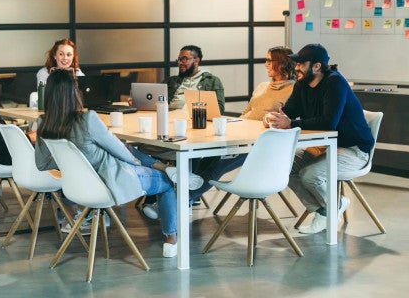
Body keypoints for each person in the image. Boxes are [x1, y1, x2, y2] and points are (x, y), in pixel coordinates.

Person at [34, 69, 181, 258]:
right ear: (73, 92)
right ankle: (171, 241)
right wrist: (137, 162)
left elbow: (41, 164)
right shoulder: (87, 119)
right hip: (111, 183)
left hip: (77, 189)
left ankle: (161, 166)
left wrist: (70, 161)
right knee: (167, 182)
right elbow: (120, 152)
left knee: (128, 151)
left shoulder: (44, 123)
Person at [265, 43, 374, 234]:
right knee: (284, 168)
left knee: (310, 175)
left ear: (316, 66)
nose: (296, 67)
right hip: (324, 148)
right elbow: (289, 111)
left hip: (354, 151)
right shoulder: (302, 84)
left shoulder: (335, 83)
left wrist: (290, 124)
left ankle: (328, 211)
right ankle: (327, 208)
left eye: (301, 63)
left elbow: (328, 122)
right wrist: (274, 118)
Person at [188, 46, 297, 205]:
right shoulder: (261, 86)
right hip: (240, 137)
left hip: (259, 145)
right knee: (205, 156)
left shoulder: (293, 89)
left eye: (269, 60)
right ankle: (190, 197)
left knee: (216, 164)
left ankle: (181, 199)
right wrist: (233, 126)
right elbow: (247, 112)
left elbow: (284, 120)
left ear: (281, 64)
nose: (265, 64)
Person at [140, 44, 225, 219]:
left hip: (193, 126)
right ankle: (162, 192)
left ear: (197, 60)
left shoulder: (211, 81)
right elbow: (155, 103)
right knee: (147, 146)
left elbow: (219, 110)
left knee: (175, 150)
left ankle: (172, 195)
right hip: (167, 124)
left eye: (185, 59)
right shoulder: (171, 81)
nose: (181, 62)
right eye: (179, 59)